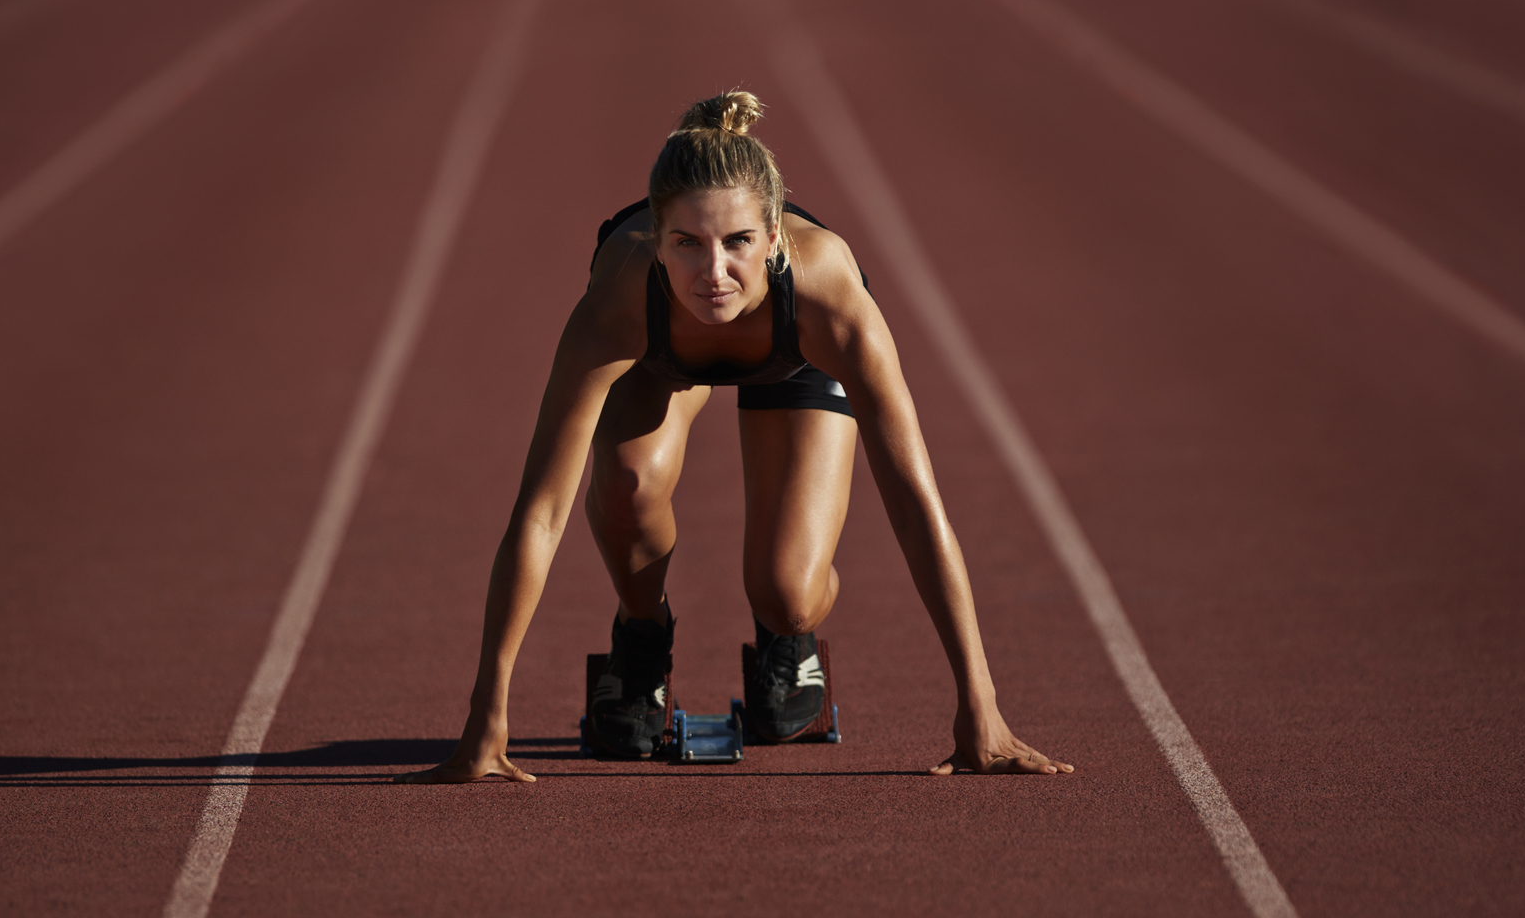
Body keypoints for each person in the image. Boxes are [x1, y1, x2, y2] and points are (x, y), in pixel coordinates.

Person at [397, 91, 1072, 783]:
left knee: (787, 591)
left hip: (793, 354)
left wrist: (979, 706)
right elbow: (539, 515)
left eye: (738, 243)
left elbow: (913, 501)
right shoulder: (618, 302)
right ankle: (641, 637)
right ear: (655, 243)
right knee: (627, 481)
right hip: (663, 355)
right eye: (686, 244)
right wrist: (486, 714)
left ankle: (789, 638)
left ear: (775, 236)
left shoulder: (829, 297)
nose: (713, 274)